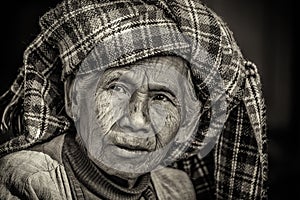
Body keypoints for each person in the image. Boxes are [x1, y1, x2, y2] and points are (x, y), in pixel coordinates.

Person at [0, 0, 268, 199]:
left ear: (187, 123)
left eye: (161, 97)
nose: (137, 119)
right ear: (73, 98)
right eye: (116, 88)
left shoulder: (178, 190)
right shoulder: (27, 180)